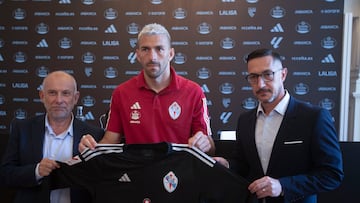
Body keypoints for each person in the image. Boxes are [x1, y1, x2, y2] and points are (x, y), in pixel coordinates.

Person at [214, 48, 344, 203]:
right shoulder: (245, 120)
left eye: (268, 74)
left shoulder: (314, 117)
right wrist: (228, 164)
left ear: (283, 74)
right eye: (253, 77)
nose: (260, 84)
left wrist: (283, 186)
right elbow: (243, 164)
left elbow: (332, 174)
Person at [79, 23, 215, 154]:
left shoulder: (194, 92)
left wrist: (205, 144)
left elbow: (210, 147)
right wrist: (91, 148)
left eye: (159, 49)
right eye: (145, 49)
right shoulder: (122, 93)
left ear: (171, 54)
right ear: (137, 55)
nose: (152, 57)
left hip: (179, 173)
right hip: (137, 173)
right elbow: (110, 141)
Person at [0, 71, 104, 203]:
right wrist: (36, 171)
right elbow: (5, 175)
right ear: (42, 96)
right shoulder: (22, 129)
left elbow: (103, 182)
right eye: (52, 93)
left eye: (65, 93)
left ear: (76, 98)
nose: (59, 100)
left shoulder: (94, 135)